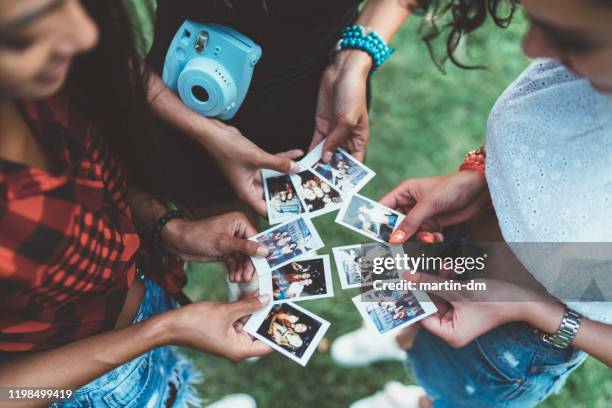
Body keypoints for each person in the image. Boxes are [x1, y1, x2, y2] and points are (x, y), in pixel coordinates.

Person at [0, 1, 274, 406]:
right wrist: (162, 331)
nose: (85, 34)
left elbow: (90, 187)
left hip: (143, 302)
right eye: (25, 34)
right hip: (79, 391)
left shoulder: (44, 84)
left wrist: (168, 228)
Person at [342, 0, 612, 407]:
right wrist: (480, 174)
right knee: (411, 311)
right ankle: (402, 337)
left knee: (450, 394)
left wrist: (529, 308)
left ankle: (418, 400)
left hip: (514, 336)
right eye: (534, 21)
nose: (531, 47)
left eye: (571, 39)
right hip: (457, 248)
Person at [137, 0, 417, 215]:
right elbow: (97, 49)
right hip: (182, 102)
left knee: (286, 213)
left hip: (316, 94)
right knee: (215, 211)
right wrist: (204, 133)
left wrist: (354, 59)